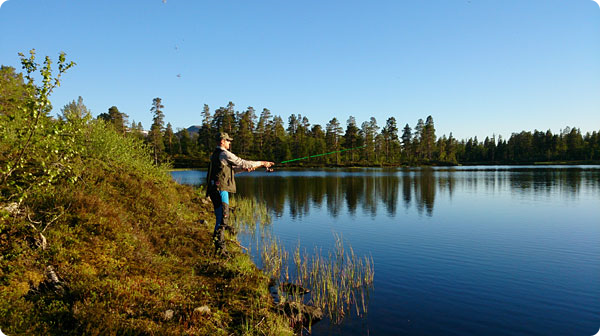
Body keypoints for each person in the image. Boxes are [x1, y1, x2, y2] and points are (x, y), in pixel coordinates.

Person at [206, 132, 274, 256]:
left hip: (215, 190)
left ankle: (218, 248)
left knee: (220, 219)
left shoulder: (216, 155)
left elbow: (229, 171)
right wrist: (262, 163)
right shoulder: (224, 153)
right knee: (222, 220)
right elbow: (243, 162)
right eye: (228, 141)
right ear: (222, 141)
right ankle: (221, 251)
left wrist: (243, 169)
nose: (229, 142)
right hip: (220, 190)